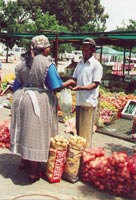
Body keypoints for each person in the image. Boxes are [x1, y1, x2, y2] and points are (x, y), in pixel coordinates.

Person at [10, 35, 74, 183]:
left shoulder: (22, 62)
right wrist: (68, 82)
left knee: (25, 131)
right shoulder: (46, 62)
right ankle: (34, 171)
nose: (49, 49)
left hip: (22, 99)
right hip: (37, 102)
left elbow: (16, 86)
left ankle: (24, 162)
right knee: (36, 136)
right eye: (49, 47)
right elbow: (55, 86)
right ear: (44, 49)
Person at [69, 38, 103, 135]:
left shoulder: (96, 65)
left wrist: (80, 88)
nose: (84, 52)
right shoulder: (80, 63)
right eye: (83, 49)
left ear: (93, 50)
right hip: (79, 101)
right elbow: (74, 78)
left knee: (87, 130)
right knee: (79, 129)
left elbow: (95, 84)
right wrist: (64, 84)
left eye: (87, 49)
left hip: (89, 103)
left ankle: (87, 149)